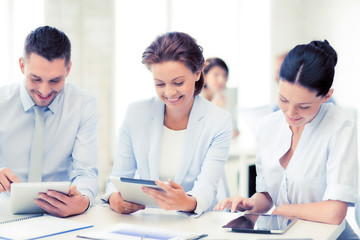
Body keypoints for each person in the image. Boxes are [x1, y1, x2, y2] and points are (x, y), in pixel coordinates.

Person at [214, 40, 358, 237]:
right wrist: (251, 204)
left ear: (326, 96)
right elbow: (267, 196)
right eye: (283, 99)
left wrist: (285, 210)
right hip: (283, 234)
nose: (290, 113)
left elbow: (335, 212)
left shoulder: (341, 124)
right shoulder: (268, 126)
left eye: (304, 106)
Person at [103, 32, 233, 215]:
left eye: (178, 82)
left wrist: (185, 202)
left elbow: (206, 188)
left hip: (194, 221)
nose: (170, 92)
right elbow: (117, 178)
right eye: (160, 84)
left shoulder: (219, 121)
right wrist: (113, 198)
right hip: (145, 218)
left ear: (197, 73)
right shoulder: (136, 114)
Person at [0, 26, 99, 217]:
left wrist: (83, 201)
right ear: (22, 66)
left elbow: (86, 171)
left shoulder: (83, 103)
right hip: (4, 212)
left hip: (59, 215)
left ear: (68, 69)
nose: (44, 91)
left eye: (55, 80)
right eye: (36, 79)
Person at [201, 57, 239, 138]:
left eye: (224, 75)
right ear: (204, 76)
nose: (222, 80)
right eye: (216, 75)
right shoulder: (196, 96)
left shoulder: (224, 95)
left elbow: (233, 129)